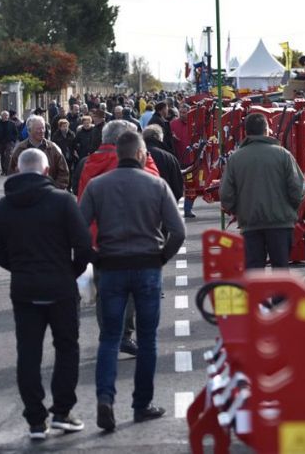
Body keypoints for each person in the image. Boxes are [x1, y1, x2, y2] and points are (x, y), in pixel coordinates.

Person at [79, 131, 185, 431]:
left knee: (109, 338)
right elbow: (178, 231)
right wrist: (161, 257)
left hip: (111, 266)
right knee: (148, 339)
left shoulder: (98, 185)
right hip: (147, 265)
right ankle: (142, 404)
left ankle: (105, 399)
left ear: (118, 153)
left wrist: (95, 257)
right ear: (140, 154)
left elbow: (78, 229)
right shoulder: (156, 185)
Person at [0, 149, 92, 440]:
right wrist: (70, 271)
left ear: (18, 170)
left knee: (28, 352)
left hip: (24, 287)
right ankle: (62, 411)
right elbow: (83, 245)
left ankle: (35, 420)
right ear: (47, 171)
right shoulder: (62, 201)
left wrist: (20, 268)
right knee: (67, 348)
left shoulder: (3, 206)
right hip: (60, 285)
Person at [76, 120, 160, 354]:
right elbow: (153, 181)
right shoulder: (127, 162)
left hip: (98, 237)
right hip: (127, 235)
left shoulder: (90, 162)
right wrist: (145, 156)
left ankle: (108, 335)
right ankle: (124, 335)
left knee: (105, 291)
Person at [219, 112, 305, 269]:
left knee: (254, 271)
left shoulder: (235, 158)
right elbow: (298, 189)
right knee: (281, 269)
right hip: (280, 223)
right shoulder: (283, 155)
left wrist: (239, 211)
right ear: (266, 130)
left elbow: (226, 194)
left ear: (246, 132)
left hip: (250, 223)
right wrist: (290, 209)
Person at [9, 115, 70, 190]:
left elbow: (63, 173)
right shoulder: (20, 149)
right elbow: (12, 174)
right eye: (38, 129)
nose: (41, 131)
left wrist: (54, 190)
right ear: (29, 130)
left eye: (43, 128)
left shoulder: (53, 148)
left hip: (49, 193)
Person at [143, 124, 184, 204]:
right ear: (159, 138)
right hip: (165, 202)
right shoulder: (169, 157)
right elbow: (178, 186)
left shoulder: (136, 154)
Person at [0, 111, 16, 175]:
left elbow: (15, 133)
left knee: (8, 155)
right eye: (4, 115)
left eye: (6, 115)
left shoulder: (12, 124)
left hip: (9, 142)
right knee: (2, 156)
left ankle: (8, 169)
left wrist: (13, 140)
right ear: (1, 116)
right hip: (0, 142)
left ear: (8, 116)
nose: (5, 117)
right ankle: (3, 170)